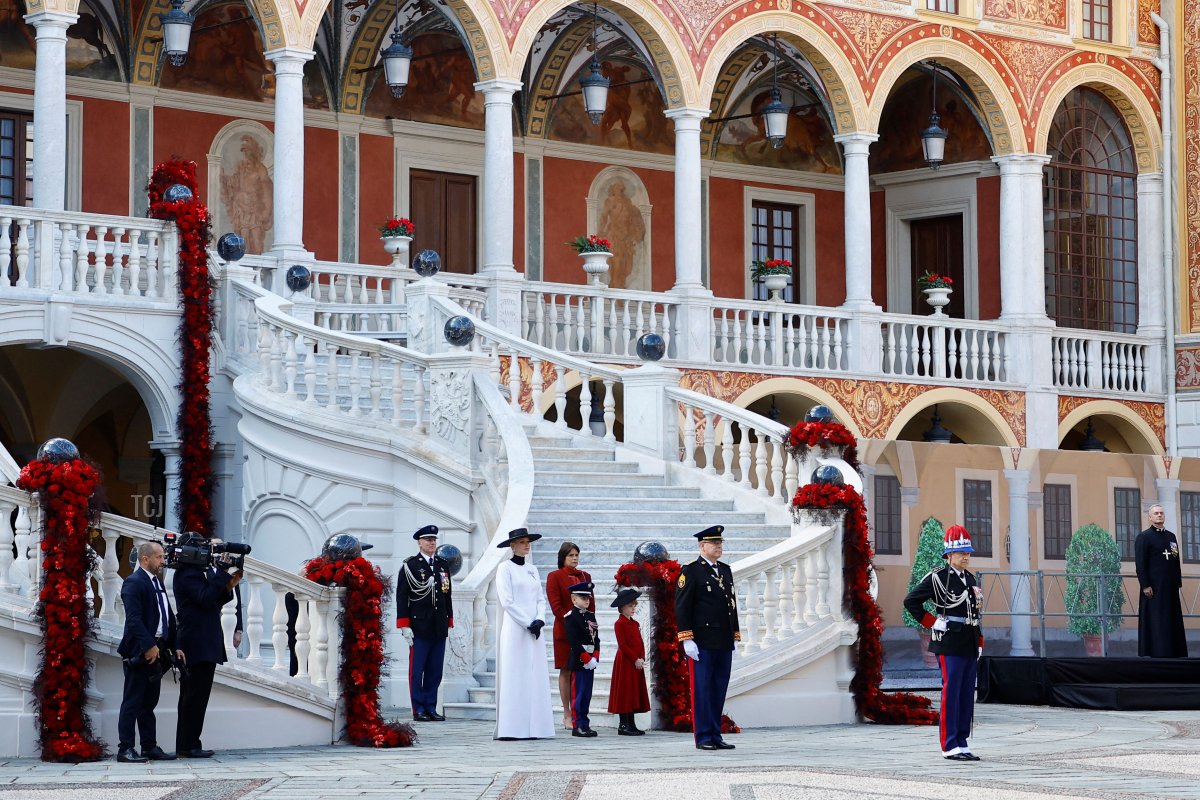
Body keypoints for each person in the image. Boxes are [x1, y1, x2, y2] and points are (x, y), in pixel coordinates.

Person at [903, 524, 984, 761]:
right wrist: (932, 622)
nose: (966, 556)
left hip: (968, 641)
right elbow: (911, 601)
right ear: (949, 555)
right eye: (961, 553)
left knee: (967, 693)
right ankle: (949, 744)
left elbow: (975, 614)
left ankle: (961, 741)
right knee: (952, 691)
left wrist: (979, 640)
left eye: (968, 552)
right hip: (949, 642)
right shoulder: (938, 577)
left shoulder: (970, 578)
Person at [173, 536, 243, 758]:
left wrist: (228, 585)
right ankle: (188, 744)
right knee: (193, 697)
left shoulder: (199, 574)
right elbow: (204, 598)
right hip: (195, 642)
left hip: (205, 641)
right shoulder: (186, 574)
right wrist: (221, 572)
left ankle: (190, 742)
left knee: (198, 697)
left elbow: (212, 601)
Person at [116, 541, 184, 763]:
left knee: (149, 704)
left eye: (163, 557)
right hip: (140, 651)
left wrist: (176, 646)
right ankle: (125, 748)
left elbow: (167, 616)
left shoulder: (157, 582)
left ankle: (149, 747)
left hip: (158, 652)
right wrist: (148, 646)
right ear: (145, 559)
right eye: (159, 557)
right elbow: (134, 620)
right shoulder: (133, 583)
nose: (163, 561)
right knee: (132, 702)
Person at [675, 525, 739, 751]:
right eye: (714, 543)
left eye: (720, 543)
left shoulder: (725, 570)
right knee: (702, 689)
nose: (719, 546)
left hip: (722, 640)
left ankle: (715, 734)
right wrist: (686, 638)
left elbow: (731, 605)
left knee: (718, 688)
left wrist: (734, 634)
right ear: (702, 546)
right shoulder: (691, 571)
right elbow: (682, 607)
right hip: (701, 641)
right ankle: (703, 736)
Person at [493, 527, 555, 740]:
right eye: (522, 542)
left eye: (528, 542)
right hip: (515, 627)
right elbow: (507, 601)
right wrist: (527, 621)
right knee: (515, 674)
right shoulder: (504, 568)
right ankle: (512, 728)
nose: (526, 545)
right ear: (512, 546)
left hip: (534, 629)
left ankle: (537, 727)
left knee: (535, 675)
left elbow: (540, 598)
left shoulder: (532, 569)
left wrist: (539, 619)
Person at [396, 524, 454, 721]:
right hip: (418, 626)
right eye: (428, 539)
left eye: (434, 539)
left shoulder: (443, 565)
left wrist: (449, 620)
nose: (432, 542)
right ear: (419, 542)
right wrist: (404, 625)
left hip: (438, 625)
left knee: (435, 670)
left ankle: (431, 706)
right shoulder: (410, 565)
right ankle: (418, 709)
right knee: (417, 669)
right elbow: (402, 597)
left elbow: (447, 595)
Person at [546, 541, 592, 730]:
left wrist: (589, 626)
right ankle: (567, 712)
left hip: (584, 632)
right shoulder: (555, 576)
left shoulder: (585, 576)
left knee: (582, 671)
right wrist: (573, 623)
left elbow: (591, 603)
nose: (574, 558)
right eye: (570, 555)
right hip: (564, 631)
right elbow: (556, 606)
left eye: (576, 555)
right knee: (566, 670)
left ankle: (580, 713)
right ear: (563, 558)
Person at [1135, 505, 1188, 658]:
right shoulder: (1144, 537)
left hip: (1170, 588)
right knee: (1157, 621)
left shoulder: (1171, 537)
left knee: (1172, 620)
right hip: (1153, 589)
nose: (1159, 515)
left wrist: (1178, 583)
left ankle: (1174, 652)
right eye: (1156, 513)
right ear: (1150, 517)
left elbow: (1175, 560)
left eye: (1161, 513)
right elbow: (1140, 564)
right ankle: (1157, 653)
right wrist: (1145, 585)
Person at [608, 588, 649, 736]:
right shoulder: (619, 624)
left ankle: (632, 723)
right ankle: (623, 724)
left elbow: (640, 641)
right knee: (624, 692)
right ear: (622, 607)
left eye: (634, 606)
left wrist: (642, 657)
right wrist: (635, 658)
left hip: (636, 662)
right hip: (625, 661)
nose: (633, 609)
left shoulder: (635, 623)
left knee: (633, 692)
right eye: (630, 606)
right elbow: (623, 645)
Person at [563, 581, 600, 737]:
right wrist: (586, 658)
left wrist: (595, 657)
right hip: (579, 661)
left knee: (587, 694)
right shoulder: (571, 617)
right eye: (582, 597)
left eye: (588, 598)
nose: (586, 600)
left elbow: (596, 639)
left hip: (590, 661)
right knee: (578, 694)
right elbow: (573, 641)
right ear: (573, 599)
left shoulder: (590, 615)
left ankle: (585, 723)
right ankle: (577, 724)